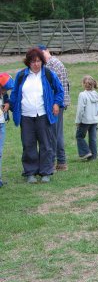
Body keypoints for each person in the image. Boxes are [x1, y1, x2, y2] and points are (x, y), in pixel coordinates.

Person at [9, 47, 64, 184]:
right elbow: (15, 94)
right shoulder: (21, 76)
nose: (36, 64)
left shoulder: (49, 74)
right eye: (33, 61)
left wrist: (56, 104)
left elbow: (59, 91)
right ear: (28, 62)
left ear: (42, 61)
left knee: (46, 144)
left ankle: (46, 172)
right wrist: (9, 105)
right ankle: (30, 172)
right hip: (26, 116)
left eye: (39, 61)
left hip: (44, 114)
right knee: (28, 144)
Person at [38, 45, 70, 171]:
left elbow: (52, 87)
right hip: (59, 102)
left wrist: (54, 103)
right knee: (57, 132)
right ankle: (61, 162)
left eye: (41, 54)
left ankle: (54, 162)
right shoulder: (56, 63)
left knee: (53, 133)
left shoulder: (51, 64)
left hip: (56, 103)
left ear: (47, 51)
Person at [75, 75, 98, 161]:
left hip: (85, 120)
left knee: (79, 136)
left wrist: (78, 121)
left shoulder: (82, 95)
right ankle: (93, 156)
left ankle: (86, 152)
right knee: (93, 138)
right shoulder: (96, 95)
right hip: (94, 120)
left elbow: (80, 109)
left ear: (83, 84)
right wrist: (97, 118)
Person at [0, 73, 14, 187]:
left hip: (1, 124)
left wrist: (8, 104)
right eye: (4, 88)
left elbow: (8, 100)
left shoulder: (4, 95)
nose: (5, 91)